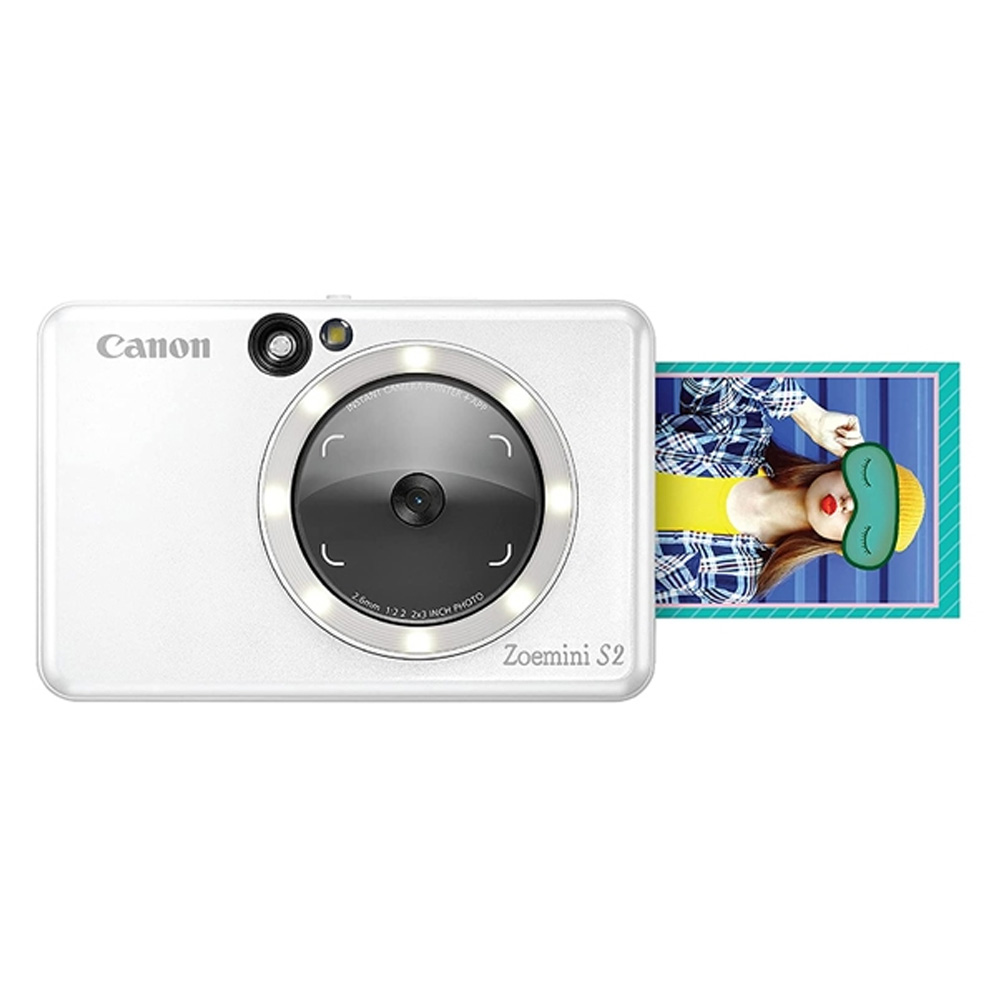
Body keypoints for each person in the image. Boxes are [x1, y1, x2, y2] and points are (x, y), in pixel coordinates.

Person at [655, 376, 925, 604]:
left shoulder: (735, 581)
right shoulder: (742, 433)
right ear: (848, 466)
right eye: (865, 487)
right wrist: (811, 416)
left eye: (865, 524)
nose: (849, 504)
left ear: (845, 545)